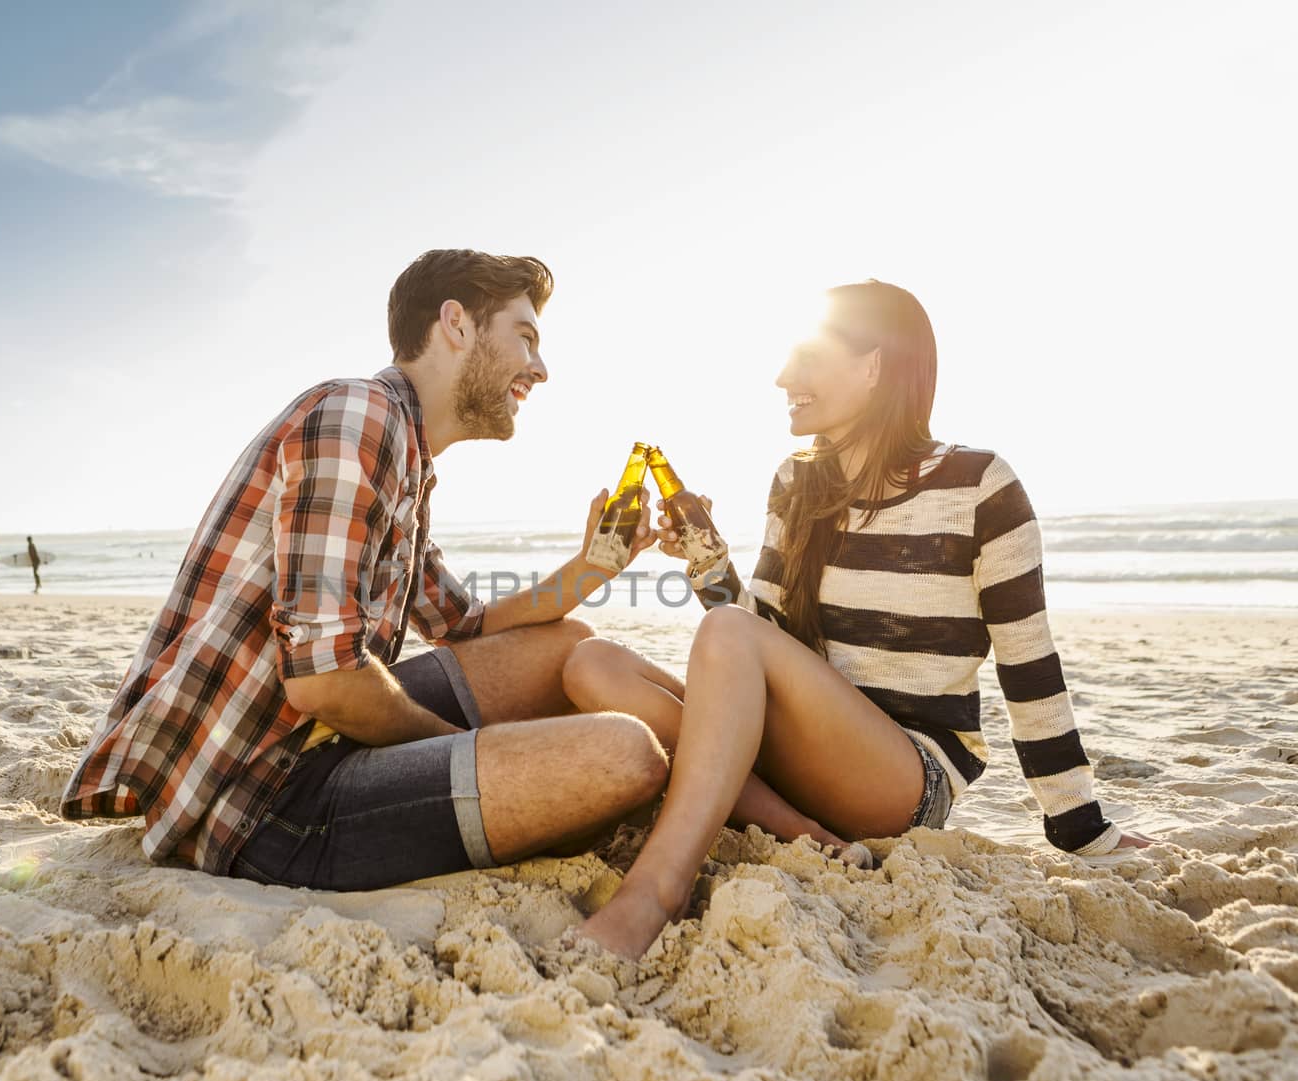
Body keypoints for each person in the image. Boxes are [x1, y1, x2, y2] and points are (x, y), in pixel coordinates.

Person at [562, 279, 1156, 959]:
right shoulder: (797, 483)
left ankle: (652, 895)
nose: (784, 377)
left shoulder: (981, 487)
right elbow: (767, 636)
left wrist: (1079, 825)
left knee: (721, 637)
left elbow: (1030, 666)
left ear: (875, 367)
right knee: (592, 663)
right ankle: (803, 832)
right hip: (801, 756)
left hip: (903, 777)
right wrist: (707, 563)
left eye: (808, 359)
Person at [60, 249, 668, 889]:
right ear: (456, 324)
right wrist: (447, 746)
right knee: (624, 756)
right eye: (526, 338)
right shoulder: (359, 417)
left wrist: (593, 566)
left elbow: (465, 624)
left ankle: (724, 745)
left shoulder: (402, 453)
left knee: (567, 644)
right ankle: (727, 756)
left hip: (315, 742)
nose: (540, 369)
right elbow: (324, 682)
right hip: (263, 804)